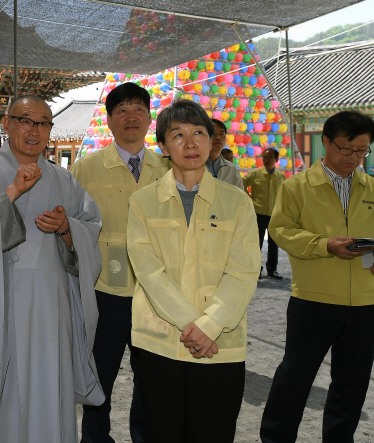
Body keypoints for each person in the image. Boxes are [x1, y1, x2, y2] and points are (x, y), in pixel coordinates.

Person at [0, 95, 104, 443]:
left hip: (53, 313)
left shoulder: (64, 181)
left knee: (50, 392)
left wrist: (67, 229)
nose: (34, 130)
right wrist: (11, 194)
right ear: (7, 124)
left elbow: (89, 229)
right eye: (26, 120)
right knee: (2, 400)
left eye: (43, 123)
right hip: (0, 308)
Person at [260, 111, 374, 443]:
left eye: (361, 151)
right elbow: (280, 230)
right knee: (295, 378)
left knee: (352, 383)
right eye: (346, 148)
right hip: (314, 298)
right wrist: (324, 245)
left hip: (365, 302)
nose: (353, 158)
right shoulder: (298, 186)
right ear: (326, 142)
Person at [127, 100, 260, 442]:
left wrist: (211, 325)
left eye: (199, 133)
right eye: (178, 135)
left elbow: (243, 271)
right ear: (163, 147)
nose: (190, 143)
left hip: (220, 342)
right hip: (160, 343)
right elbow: (149, 273)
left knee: (213, 431)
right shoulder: (142, 202)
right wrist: (193, 325)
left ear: (211, 139)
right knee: (162, 430)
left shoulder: (237, 201)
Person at [71, 82, 169, 443]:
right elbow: (73, 229)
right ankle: (96, 439)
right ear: (109, 120)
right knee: (101, 376)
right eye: (122, 111)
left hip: (157, 294)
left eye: (138, 110)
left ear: (149, 118)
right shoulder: (87, 169)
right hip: (105, 292)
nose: (131, 117)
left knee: (152, 378)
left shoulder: (167, 167)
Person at [242, 147, 287, 279]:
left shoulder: (281, 176)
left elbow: (286, 193)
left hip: (275, 214)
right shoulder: (255, 174)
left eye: (270, 158)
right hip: (258, 213)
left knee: (274, 244)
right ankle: (256, 269)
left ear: (277, 160)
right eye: (265, 158)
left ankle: (272, 269)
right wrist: (248, 199)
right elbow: (241, 183)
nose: (266, 160)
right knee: (257, 244)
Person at [206, 118, 244, 190]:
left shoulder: (231, 169)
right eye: (213, 134)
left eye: (222, 134)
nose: (218, 137)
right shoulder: (193, 166)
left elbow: (240, 198)